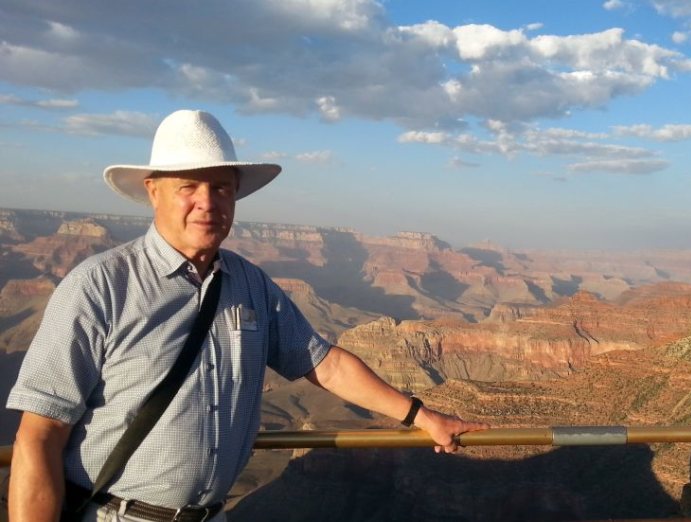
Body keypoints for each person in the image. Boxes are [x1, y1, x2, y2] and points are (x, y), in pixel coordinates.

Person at [5, 109, 488, 522]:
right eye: (188, 186)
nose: (207, 203)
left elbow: (326, 364)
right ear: (153, 191)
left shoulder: (251, 283)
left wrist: (422, 417)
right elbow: (40, 433)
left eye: (221, 188)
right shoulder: (101, 285)